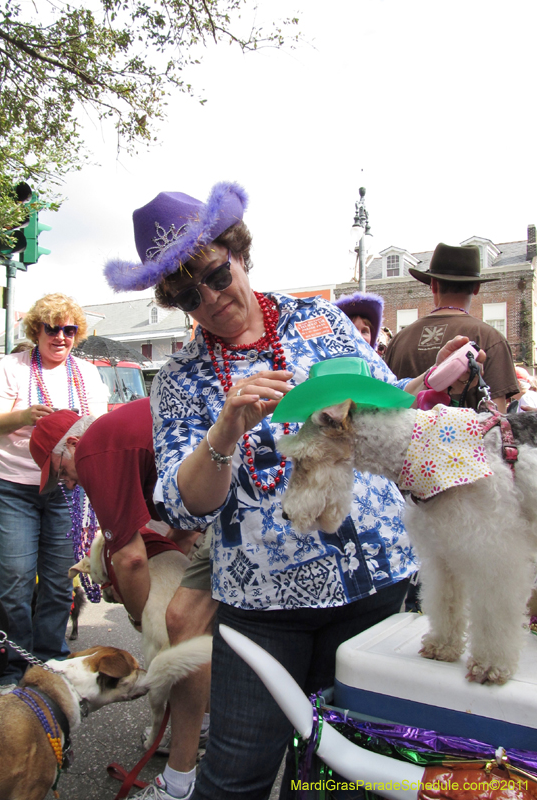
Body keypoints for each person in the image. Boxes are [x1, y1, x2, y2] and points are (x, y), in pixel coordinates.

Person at [104, 182, 479, 800]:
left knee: (346, 777)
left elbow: (396, 412)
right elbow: (182, 502)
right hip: (264, 608)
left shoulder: (321, 318)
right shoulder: (179, 378)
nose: (212, 298)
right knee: (235, 778)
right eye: (186, 294)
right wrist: (223, 431)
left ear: (238, 251)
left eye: (217, 274)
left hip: (375, 587)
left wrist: (358, 408)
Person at [29, 400, 216, 800]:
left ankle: (182, 776)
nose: (72, 484)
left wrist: (140, 614)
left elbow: (129, 558)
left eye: (63, 472)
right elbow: (182, 526)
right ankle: (208, 728)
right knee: (203, 630)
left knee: (178, 632)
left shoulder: (96, 453)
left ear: (75, 443)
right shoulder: (122, 437)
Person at [0, 293, 108, 694]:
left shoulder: (86, 373)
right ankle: (12, 670)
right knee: (14, 580)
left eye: (69, 330)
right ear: (36, 329)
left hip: (64, 489)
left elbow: (98, 429)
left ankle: (50, 661)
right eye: (51, 328)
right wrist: (24, 416)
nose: (60, 337)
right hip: (12, 485)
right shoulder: (12, 366)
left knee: (57, 580)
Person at [385, 243, 519, 412]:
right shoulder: (490, 338)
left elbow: (386, 403)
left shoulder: (399, 339)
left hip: (405, 437)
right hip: (466, 438)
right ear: (476, 288)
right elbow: (497, 416)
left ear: (433, 285)